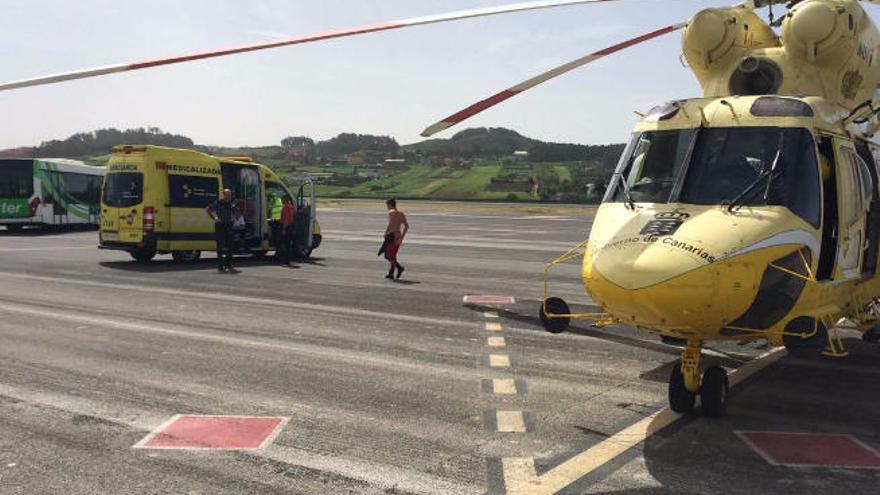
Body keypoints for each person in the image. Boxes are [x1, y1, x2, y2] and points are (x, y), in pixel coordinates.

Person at [206, 189, 236, 272]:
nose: (229, 196)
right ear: (224, 195)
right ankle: (220, 265)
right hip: (220, 225)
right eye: (227, 194)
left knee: (230, 246)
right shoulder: (219, 202)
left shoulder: (231, 203)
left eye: (230, 194)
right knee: (220, 246)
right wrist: (215, 218)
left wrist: (233, 218)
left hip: (229, 225)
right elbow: (208, 209)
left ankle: (228, 263)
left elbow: (233, 212)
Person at [382, 198, 408, 279]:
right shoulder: (401, 213)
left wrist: (385, 233)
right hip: (398, 236)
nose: (387, 207)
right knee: (392, 255)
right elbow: (406, 226)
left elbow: (390, 225)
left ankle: (399, 268)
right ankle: (391, 272)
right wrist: (401, 237)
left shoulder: (391, 213)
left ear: (390, 205)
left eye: (387, 205)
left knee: (388, 255)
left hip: (391, 236)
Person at [279, 194, 296, 265]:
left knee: (285, 244)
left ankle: (286, 259)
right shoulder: (291, 207)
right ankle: (288, 259)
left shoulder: (286, 207)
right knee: (288, 244)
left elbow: (286, 218)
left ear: (285, 200)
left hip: (286, 227)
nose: (282, 201)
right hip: (291, 226)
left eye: (283, 199)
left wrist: (283, 229)